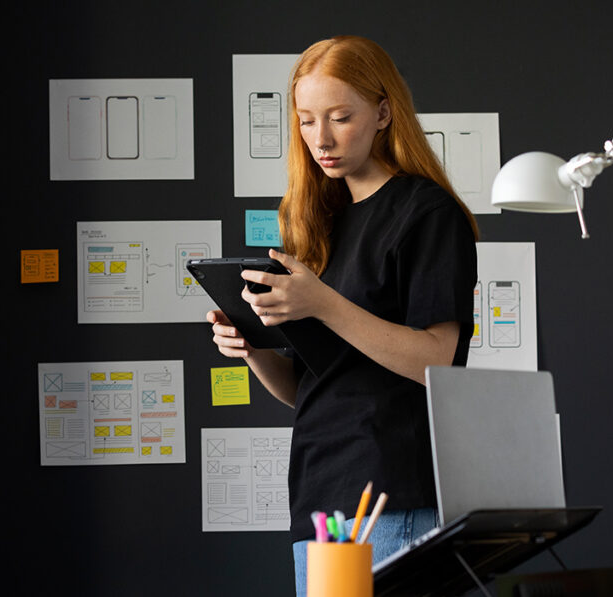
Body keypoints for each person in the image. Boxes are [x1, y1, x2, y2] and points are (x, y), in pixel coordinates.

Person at [207, 36, 478, 595]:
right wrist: (254, 348)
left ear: (383, 113)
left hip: (389, 489)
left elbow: (438, 362)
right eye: (306, 121)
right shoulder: (320, 223)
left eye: (339, 118)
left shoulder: (426, 212)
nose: (320, 139)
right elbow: (308, 388)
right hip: (319, 492)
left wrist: (323, 304)